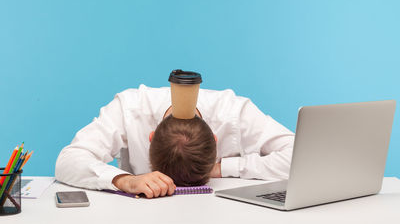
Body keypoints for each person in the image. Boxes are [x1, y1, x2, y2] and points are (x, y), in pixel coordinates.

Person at [55, 84, 294, 198]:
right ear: (150, 138)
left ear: (214, 138)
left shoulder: (234, 111)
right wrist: (126, 180)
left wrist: (224, 169)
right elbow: (68, 160)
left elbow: (300, 154)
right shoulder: (130, 107)